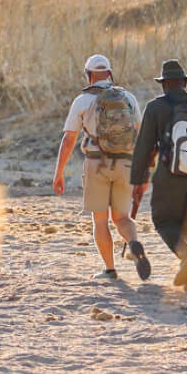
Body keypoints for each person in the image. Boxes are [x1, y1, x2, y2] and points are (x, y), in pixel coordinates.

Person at [54, 54, 150, 279]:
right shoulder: (128, 97)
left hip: (96, 163)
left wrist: (59, 173)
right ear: (109, 73)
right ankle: (134, 243)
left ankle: (110, 269)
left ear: (89, 76)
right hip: (125, 162)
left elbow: (68, 140)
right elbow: (139, 133)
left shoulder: (82, 101)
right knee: (122, 218)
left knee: (100, 220)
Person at [131, 59, 187, 288]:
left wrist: (137, 181)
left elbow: (144, 147)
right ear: (184, 83)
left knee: (163, 221)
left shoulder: (156, 107)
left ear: (164, 84)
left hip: (168, 177)